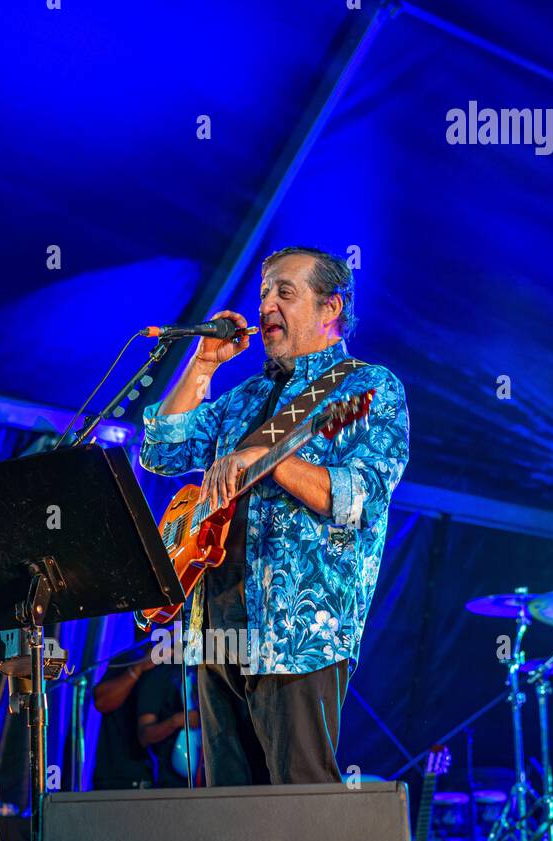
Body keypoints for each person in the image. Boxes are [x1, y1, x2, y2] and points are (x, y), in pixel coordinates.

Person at [140, 245, 409, 786]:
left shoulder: (365, 388)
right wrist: (203, 365)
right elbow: (161, 449)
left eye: (285, 292)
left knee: (300, 806)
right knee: (231, 817)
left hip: (298, 633)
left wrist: (268, 459)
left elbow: (358, 496)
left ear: (330, 307)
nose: (268, 304)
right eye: (264, 292)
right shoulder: (244, 397)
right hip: (217, 629)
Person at [91, 645, 200, 790]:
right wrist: (138, 668)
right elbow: (101, 702)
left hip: (159, 777)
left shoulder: (185, 665)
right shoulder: (132, 657)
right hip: (119, 775)